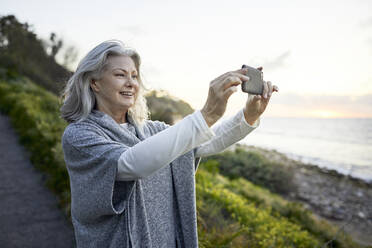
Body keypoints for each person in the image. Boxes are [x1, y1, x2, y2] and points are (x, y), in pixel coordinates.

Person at [60, 39, 278, 248]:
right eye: (120, 75)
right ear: (94, 83)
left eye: (134, 76)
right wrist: (207, 114)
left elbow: (202, 143)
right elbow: (129, 164)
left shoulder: (151, 130)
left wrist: (248, 116)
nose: (131, 83)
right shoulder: (80, 135)